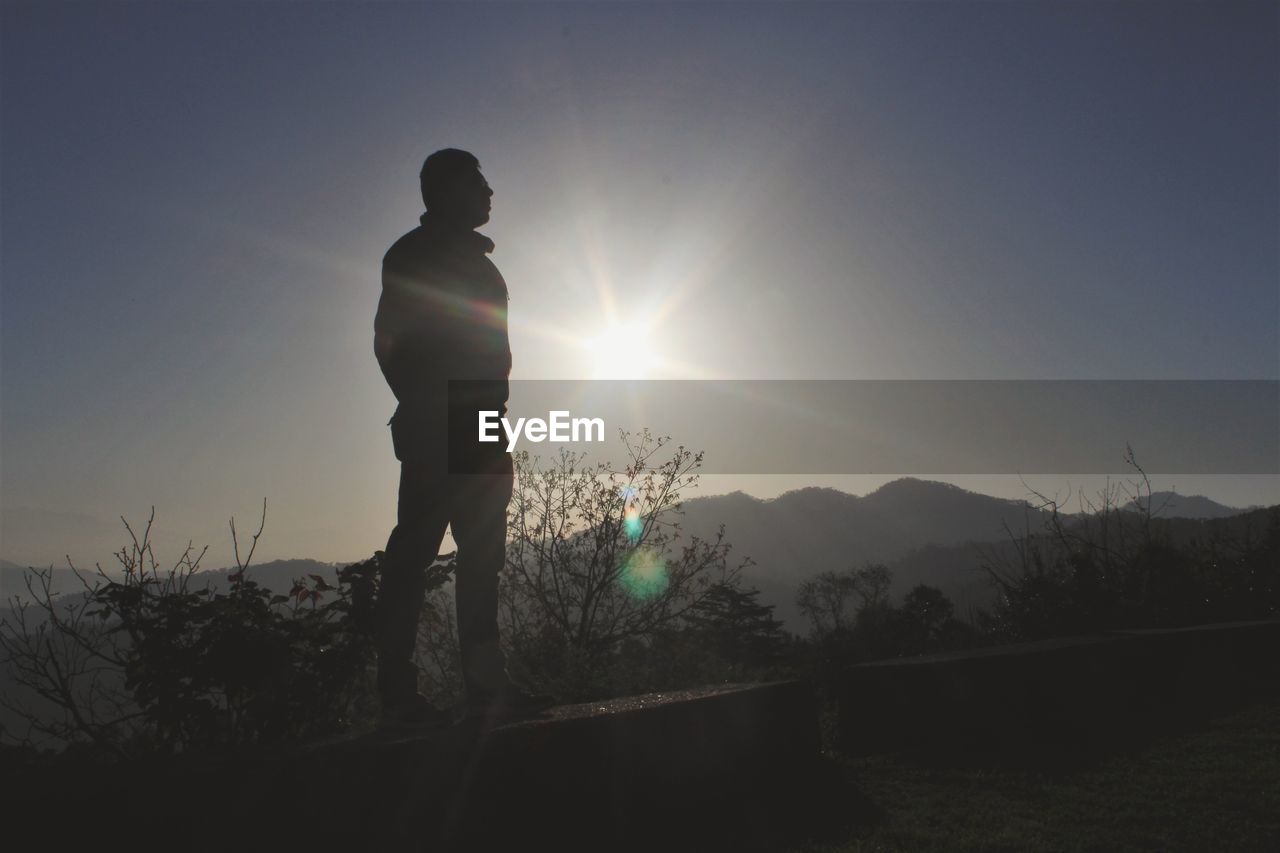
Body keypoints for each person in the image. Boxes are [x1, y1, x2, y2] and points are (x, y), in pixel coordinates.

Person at [373, 148, 550, 728]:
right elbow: (390, 344)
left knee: (483, 557)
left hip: (480, 426)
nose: (491, 193)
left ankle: (485, 687)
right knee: (414, 558)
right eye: (479, 183)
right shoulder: (416, 255)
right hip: (440, 426)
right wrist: (431, 409)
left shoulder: (473, 261)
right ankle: (398, 696)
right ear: (447, 190)